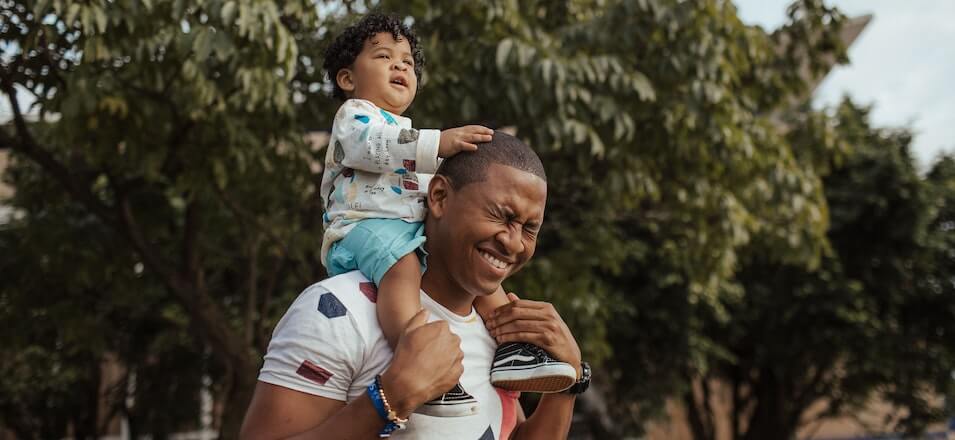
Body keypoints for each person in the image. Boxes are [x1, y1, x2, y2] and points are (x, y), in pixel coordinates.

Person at [240, 131, 591, 439]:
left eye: (529, 229)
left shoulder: (500, 336)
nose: (514, 244)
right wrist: (389, 398)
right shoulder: (337, 311)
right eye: (502, 215)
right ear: (438, 197)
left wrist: (570, 378)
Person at [317, 13, 576, 417]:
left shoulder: (403, 131)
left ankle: (513, 349)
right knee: (402, 268)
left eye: (407, 62)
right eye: (384, 56)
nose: (400, 66)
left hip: (400, 226)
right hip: (360, 226)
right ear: (347, 78)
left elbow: (424, 186)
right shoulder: (356, 118)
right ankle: (419, 354)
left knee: (484, 280)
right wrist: (440, 143)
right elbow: (374, 146)